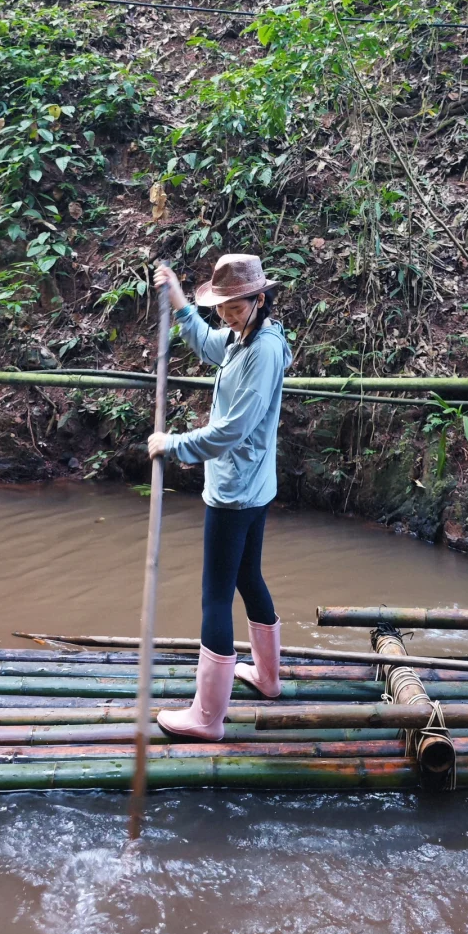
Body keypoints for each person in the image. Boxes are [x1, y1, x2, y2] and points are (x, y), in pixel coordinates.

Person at [147, 253, 292, 740]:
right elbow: (212, 346)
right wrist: (182, 305)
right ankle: (268, 679)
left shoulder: (263, 350)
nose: (227, 316)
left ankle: (207, 718)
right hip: (254, 484)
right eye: (222, 307)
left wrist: (174, 444)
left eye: (236, 306)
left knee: (214, 596)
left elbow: (230, 430)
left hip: (235, 491)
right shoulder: (245, 336)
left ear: (260, 299)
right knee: (248, 576)